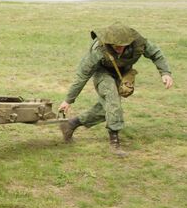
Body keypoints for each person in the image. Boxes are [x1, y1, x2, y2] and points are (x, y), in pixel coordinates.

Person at [58, 22, 173, 156]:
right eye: (115, 46)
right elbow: (82, 76)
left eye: (122, 46)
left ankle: (71, 124)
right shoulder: (98, 49)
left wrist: (165, 72)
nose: (119, 49)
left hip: (122, 74)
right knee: (113, 100)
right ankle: (114, 143)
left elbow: (156, 54)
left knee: (107, 108)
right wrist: (68, 100)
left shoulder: (139, 43)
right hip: (102, 74)